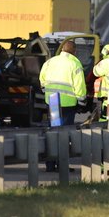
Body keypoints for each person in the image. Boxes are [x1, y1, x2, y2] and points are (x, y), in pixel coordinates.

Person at [39, 40, 87, 172]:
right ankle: (62, 165)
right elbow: (79, 85)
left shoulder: (50, 62)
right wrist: (82, 102)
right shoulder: (75, 63)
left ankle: (50, 165)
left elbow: (42, 79)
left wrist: (47, 92)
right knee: (64, 135)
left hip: (53, 102)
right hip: (68, 104)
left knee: (53, 132)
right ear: (74, 51)